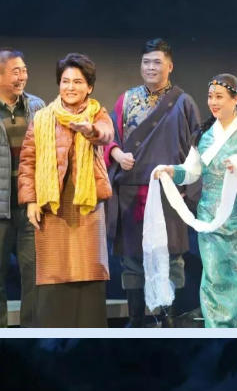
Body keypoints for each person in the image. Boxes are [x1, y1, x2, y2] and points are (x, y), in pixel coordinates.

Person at [153, 73, 237, 327]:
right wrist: (170, 171)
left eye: (219, 97)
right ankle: (217, 332)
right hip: (211, 216)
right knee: (214, 277)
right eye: (210, 97)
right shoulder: (204, 134)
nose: (213, 102)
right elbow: (192, 171)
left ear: (235, 99)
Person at [106, 38, 201, 326]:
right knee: (132, 257)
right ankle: (136, 320)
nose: (150, 67)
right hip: (131, 191)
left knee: (171, 257)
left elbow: (197, 149)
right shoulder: (125, 100)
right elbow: (108, 138)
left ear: (169, 66)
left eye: (157, 62)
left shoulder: (183, 102)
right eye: (146, 62)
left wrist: (186, 187)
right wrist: (117, 153)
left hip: (168, 193)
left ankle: (167, 319)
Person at [18, 52, 113, 327]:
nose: (71, 87)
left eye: (78, 82)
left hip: (87, 203)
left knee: (89, 270)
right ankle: (53, 339)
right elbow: (28, 161)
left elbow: (106, 134)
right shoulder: (42, 117)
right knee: (53, 272)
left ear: (89, 87)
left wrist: (90, 130)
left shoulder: (97, 113)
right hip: (52, 205)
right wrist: (31, 201)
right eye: (66, 81)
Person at [0, 48, 43, 327]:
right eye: (16, 71)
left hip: (30, 207)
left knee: (34, 277)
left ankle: (31, 337)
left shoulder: (37, 107)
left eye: (24, 70)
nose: (22, 76)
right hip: (0, 211)